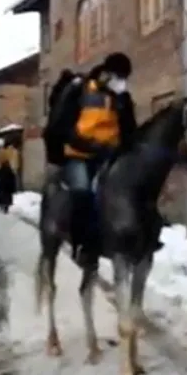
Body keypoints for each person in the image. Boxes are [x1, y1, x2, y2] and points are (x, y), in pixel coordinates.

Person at [44, 52, 139, 254]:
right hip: (78, 155)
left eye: (124, 78)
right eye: (118, 77)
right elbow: (61, 126)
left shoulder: (122, 98)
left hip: (109, 156)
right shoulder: (80, 90)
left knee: (130, 192)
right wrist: (88, 145)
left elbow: (130, 130)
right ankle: (81, 243)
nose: (121, 83)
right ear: (106, 74)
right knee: (83, 192)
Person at [0, 137, 20, 214]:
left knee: (1, 189)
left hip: (2, 172)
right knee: (8, 190)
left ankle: (2, 204)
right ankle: (6, 205)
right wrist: (14, 170)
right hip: (10, 172)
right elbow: (16, 162)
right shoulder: (14, 151)